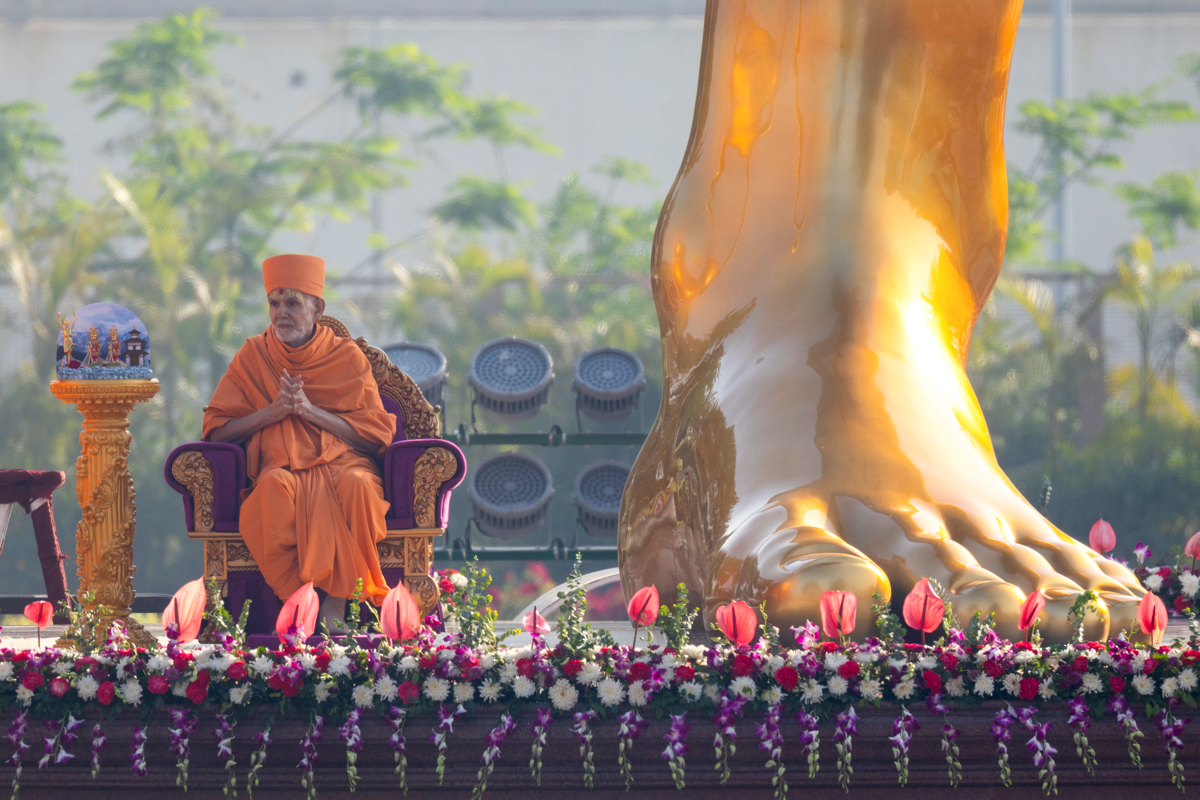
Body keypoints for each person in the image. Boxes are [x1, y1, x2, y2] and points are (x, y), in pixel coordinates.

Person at [202, 254, 397, 633]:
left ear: (317, 308)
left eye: (292, 303)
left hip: (345, 465)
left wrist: (310, 412)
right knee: (273, 491)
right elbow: (215, 430)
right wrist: (272, 413)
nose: (281, 314)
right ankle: (307, 602)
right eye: (274, 303)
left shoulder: (347, 358)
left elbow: (374, 437)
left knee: (357, 487)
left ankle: (337, 603)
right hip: (282, 468)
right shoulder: (253, 357)